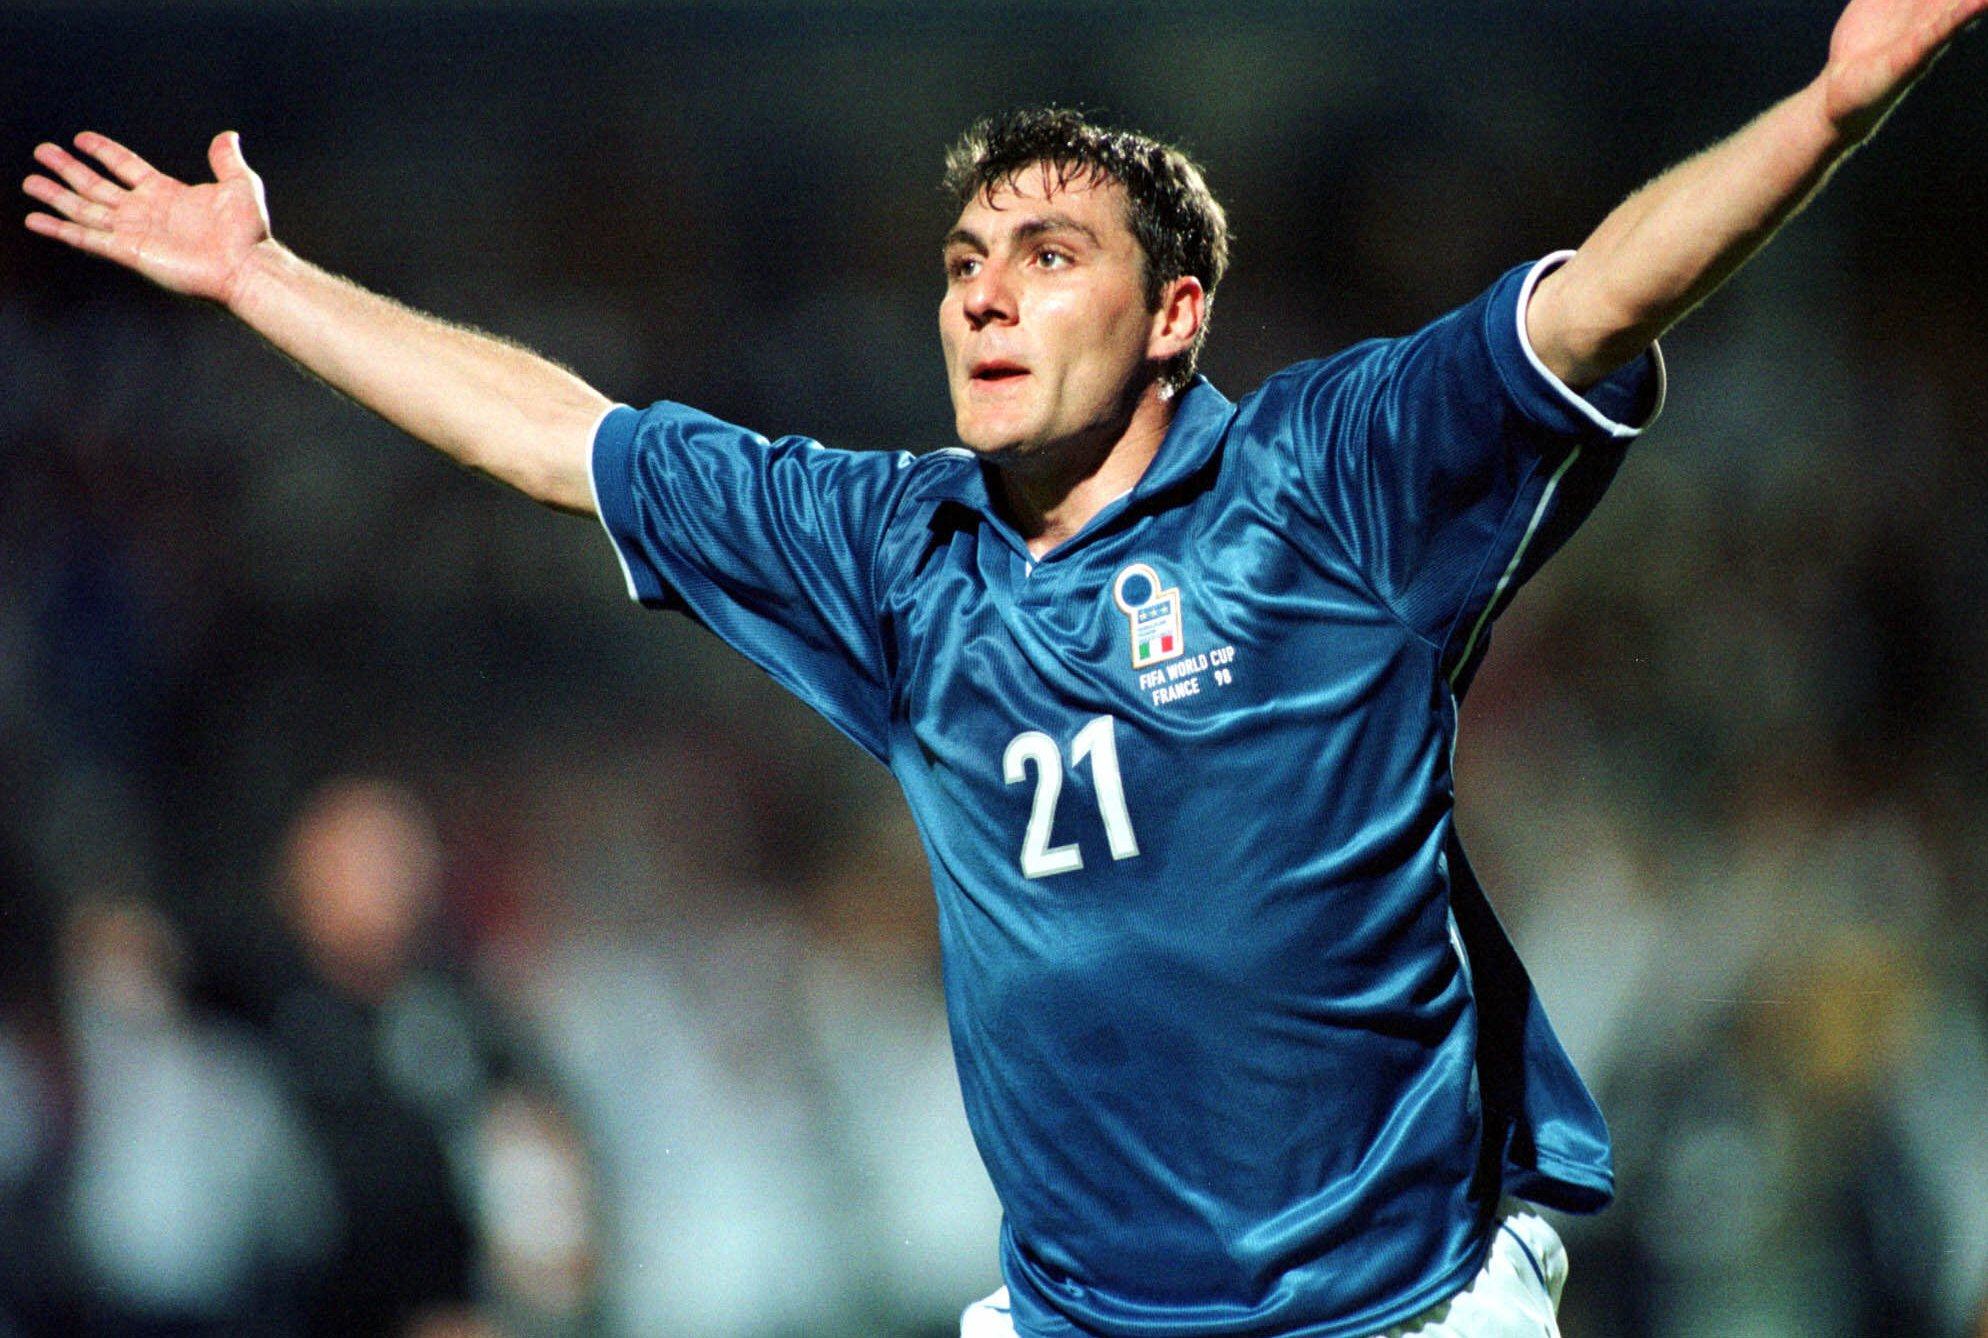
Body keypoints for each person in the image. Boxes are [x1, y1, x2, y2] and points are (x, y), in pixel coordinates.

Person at [22, 2, 1982, 1333]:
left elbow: (1603, 289)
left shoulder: (1326, 483)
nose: (980, 283)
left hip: (1393, 1311)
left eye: (1047, 251)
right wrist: (259, 277)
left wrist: (1825, 108)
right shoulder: (896, 552)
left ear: (1172, 316)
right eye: (963, 254)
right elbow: (560, 436)